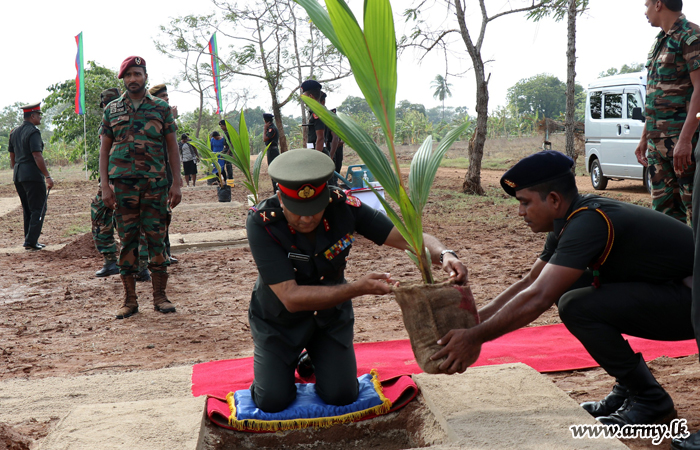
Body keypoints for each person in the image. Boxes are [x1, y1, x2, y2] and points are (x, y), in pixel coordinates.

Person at [431, 150, 694, 428]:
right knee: (571, 286)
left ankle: (650, 400)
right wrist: (472, 323)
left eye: (525, 202)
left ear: (554, 199)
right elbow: (530, 282)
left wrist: (474, 338)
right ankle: (629, 385)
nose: (520, 212)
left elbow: (538, 298)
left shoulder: (588, 222)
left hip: (693, 301)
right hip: (677, 292)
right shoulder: (570, 220)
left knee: (575, 305)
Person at [245, 149, 467, 413]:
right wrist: (358, 288)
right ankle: (277, 367)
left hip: (329, 318)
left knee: (342, 395)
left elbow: (407, 236)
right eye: (298, 210)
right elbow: (290, 298)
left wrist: (444, 254)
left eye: (315, 209)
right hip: (279, 322)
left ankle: (313, 360)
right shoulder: (263, 222)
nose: (307, 218)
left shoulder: (343, 207)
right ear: (281, 198)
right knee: (273, 400)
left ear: (327, 195)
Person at [99, 56, 182, 319]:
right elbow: (104, 150)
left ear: (145, 76)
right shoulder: (112, 109)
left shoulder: (160, 108)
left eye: (138, 74)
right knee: (127, 242)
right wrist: (105, 186)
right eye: (128, 75)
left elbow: (172, 147)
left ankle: (160, 296)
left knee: (157, 240)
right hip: (122, 187)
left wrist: (177, 183)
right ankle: (130, 300)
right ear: (122, 79)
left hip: (155, 186)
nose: (133, 79)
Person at [634, 0, 700, 224]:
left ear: (659, 4)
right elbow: (655, 94)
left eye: (646, 5)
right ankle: (673, 260)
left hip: (683, 146)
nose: (645, 11)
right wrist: (644, 137)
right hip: (657, 145)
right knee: (664, 217)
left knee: (695, 210)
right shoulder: (659, 41)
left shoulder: (691, 36)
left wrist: (685, 140)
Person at [92, 88, 150, 280]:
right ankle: (138, 265)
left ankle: (120, 262)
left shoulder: (116, 120)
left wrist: (106, 184)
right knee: (133, 221)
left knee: (105, 216)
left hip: (119, 179)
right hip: (122, 178)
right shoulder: (122, 117)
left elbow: (106, 152)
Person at [8, 102, 53, 250]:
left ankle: (29, 239)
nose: (40, 118)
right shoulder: (33, 132)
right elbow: (37, 155)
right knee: (38, 208)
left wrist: (17, 170)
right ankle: (31, 242)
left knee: (27, 209)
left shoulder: (14, 132)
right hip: (32, 175)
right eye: (38, 115)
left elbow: (12, 156)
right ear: (32, 116)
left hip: (19, 175)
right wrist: (47, 176)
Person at [148, 83, 179, 264]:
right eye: (164, 96)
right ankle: (159, 255)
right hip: (155, 175)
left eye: (167, 96)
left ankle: (165, 252)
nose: (167, 99)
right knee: (158, 217)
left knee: (165, 216)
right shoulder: (152, 117)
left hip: (165, 173)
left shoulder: (165, 117)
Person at [262, 113, 279, 192]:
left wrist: (264, 129)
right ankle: (275, 189)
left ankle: (276, 190)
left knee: (273, 170)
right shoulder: (271, 128)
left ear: (265, 121)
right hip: (271, 150)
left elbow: (265, 139)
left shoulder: (271, 129)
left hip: (273, 151)